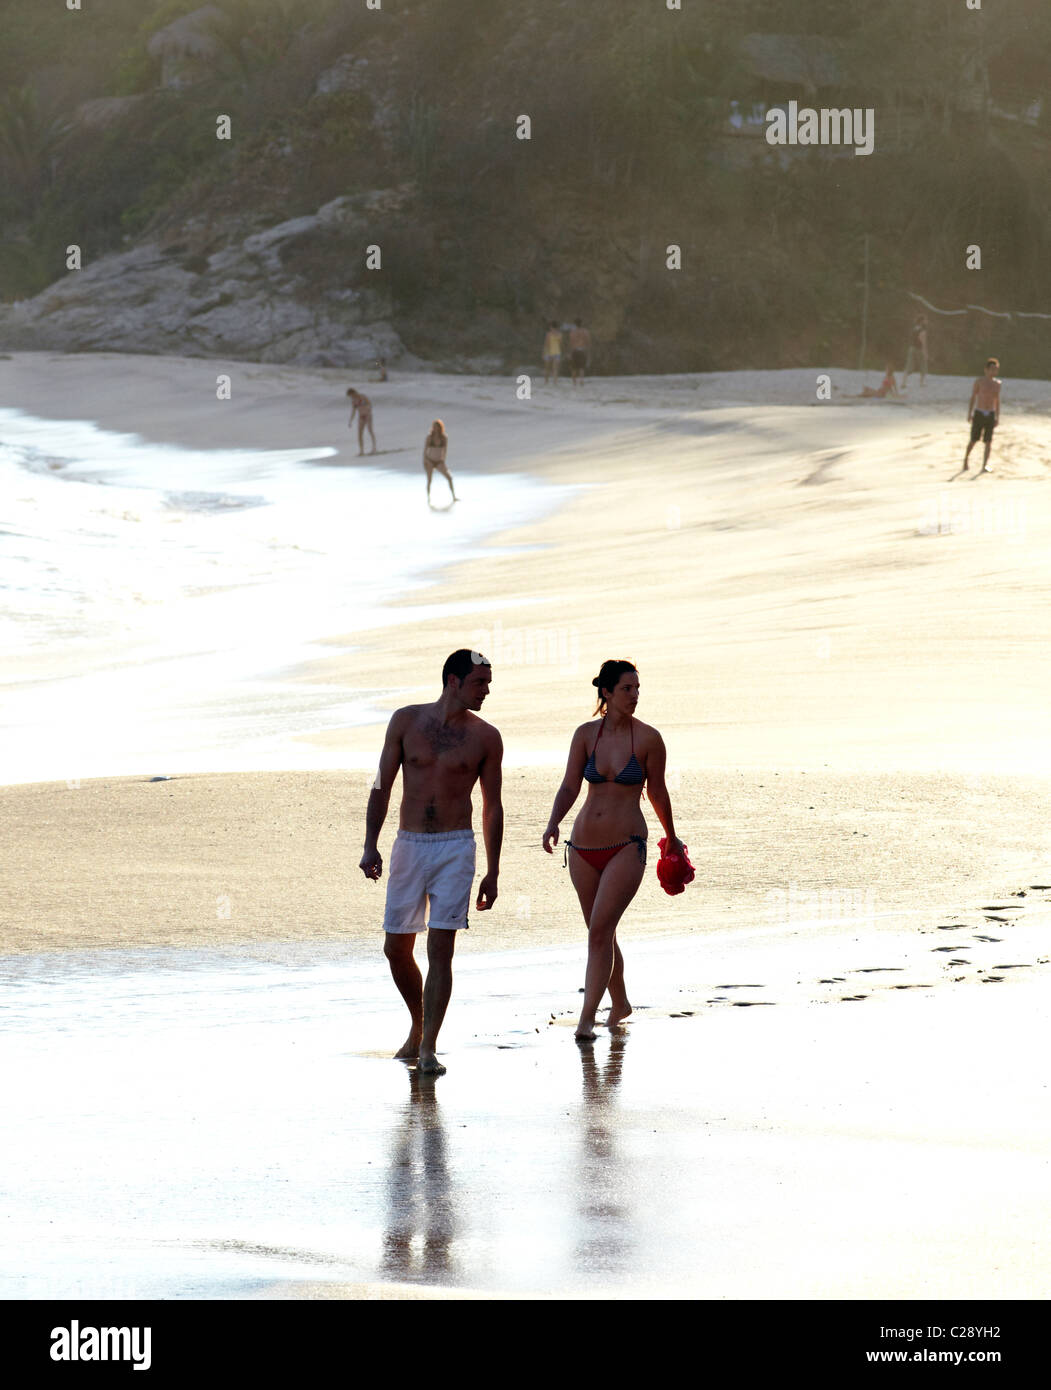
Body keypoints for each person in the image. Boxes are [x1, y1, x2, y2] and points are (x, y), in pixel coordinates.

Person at [360, 650, 503, 1075]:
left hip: (456, 847)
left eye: (488, 682)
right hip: (409, 845)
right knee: (396, 947)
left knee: (441, 950)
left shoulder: (486, 737)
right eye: (480, 682)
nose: (487, 691)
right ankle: (419, 1025)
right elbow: (382, 784)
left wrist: (493, 871)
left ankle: (428, 1048)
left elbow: (492, 807)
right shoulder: (406, 721)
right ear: (453, 681)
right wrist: (370, 844)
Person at [542, 660, 683, 1041]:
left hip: (627, 845)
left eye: (637, 688)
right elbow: (570, 784)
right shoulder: (586, 735)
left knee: (600, 930)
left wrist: (671, 836)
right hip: (584, 846)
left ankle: (587, 1017)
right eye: (626, 689)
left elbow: (656, 792)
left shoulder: (649, 739)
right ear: (606, 692)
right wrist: (553, 821)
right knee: (600, 931)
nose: (634, 695)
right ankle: (619, 1003)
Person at [964, 357, 1002, 474]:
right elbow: (973, 397)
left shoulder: (997, 384)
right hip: (979, 412)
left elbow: (997, 400)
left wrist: (997, 417)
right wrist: (969, 413)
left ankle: (984, 465)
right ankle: (966, 459)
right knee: (974, 439)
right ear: (986, 370)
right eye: (991, 369)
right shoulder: (979, 382)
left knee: (988, 441)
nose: (993, 372)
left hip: (990, 413)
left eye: (995, 370)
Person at [423, 419, 457, 504]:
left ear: (440, 427)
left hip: (439, 461)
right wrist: (425, 460)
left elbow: (445, 450)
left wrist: (443, 460)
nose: (435, 428)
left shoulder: (444, 437)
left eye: (436, 427)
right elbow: (425, 450)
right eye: (434, 427)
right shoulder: (429, 437)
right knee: (429, 480)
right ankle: (428, 499)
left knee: (449, 478)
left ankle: (454, 496)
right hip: (430, 460)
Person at [346, 387, 377, 455]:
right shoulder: (354, 401)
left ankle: (374, 448)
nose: (351, 397)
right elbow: (353, 411)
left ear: (353, 393)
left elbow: (369, 404)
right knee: (360, 434)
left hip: (367, 415)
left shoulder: (363, 397)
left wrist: (368, 411)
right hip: (361, 417)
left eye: (351, 395)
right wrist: (351, 420)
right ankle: (361, 450)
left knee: (370, 431)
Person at [902, 314, 928, 388]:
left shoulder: (914, 329)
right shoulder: (923, 330)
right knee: (923, 366)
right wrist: (925, 352)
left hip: (911, 348)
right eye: (925, 320)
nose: (926, 321)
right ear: (922, 321)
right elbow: (923, 341)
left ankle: (903, 383)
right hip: (919, 349)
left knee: (909, 366)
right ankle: (921, 383)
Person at [568, 319, 591, 387]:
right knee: (582, 367)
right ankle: (581, 380)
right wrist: (588, 351)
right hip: (582, 350)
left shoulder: (572, 332)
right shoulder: (585, 332)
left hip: (575, 350)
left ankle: (574, 383)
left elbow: (571, 343)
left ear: (575, 324)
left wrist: (569, 352)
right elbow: (588, 342)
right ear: (581, 323)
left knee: (574, 368)